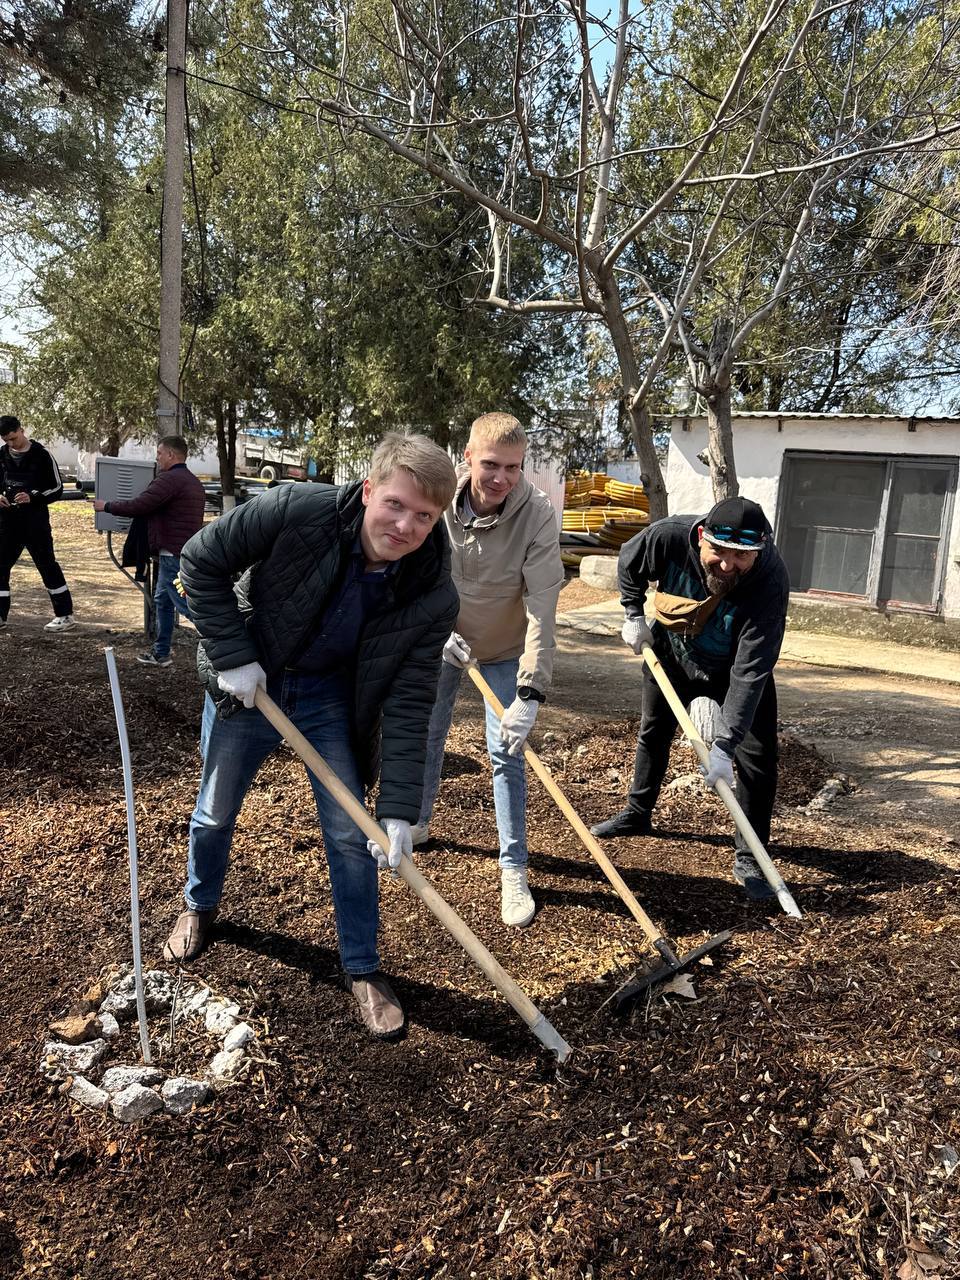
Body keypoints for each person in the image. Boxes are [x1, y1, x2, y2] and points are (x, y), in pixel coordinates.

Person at [164, 433, 459, 1041]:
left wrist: (400, 808)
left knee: (353, 834)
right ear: (370, 488)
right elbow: (199, 560)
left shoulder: (432, 592)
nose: (405, 526)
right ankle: (198, 903)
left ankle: (362, 966)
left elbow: (409, 699)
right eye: (396, 505)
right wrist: (233, 655)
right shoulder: (299, 508)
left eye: (424, 517)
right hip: (254, 680)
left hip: (328, 697)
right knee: (214, 813)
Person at [590, 496, 789, 901]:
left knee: (757, 758)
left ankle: (750, 856)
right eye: (719, 551)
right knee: (654, 730)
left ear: (760, 550)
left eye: (742, 555)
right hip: (672, 653)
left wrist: (725, 744)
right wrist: (632, 613)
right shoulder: (668, 537)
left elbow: (751, 670)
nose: (728, 564)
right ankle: (638, 812)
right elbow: (629, 564)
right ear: (701, 537)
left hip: (733, 667)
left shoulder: (770, 579)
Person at [414, 413, 563, 928]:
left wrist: (530, 692)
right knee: (426, 731)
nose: (501, 478)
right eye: (491, 465)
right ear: (468, 459)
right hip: (444, 640)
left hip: (504, 648)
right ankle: (417, 823)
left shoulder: (539, 515)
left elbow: (543, 605)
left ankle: (513, 866)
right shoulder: (436, 498)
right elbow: (415, 567)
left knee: (506, 751)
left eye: (514, 468)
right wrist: (432, 627)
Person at [93, 435, 206, 666]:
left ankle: (225, 640)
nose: (157, 459)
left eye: (159, 454)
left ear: (171, 455)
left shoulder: (169, 480)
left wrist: (107, 506)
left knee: (183, 604)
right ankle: (161, 652)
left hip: (172, 552)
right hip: (182, 549)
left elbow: (140, 505)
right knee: (162, 601)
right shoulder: (192, 480)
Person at [0, 415, 75, 632]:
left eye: (14, 438)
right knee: (1, 566)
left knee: (47, 566)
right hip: (7, 524)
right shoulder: (1, 456)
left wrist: (33, 497)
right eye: (7, 441)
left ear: (21, 430)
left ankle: (65, 616)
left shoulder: (42, 456)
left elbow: (57, 488)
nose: (11, 444)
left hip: (35, 524)